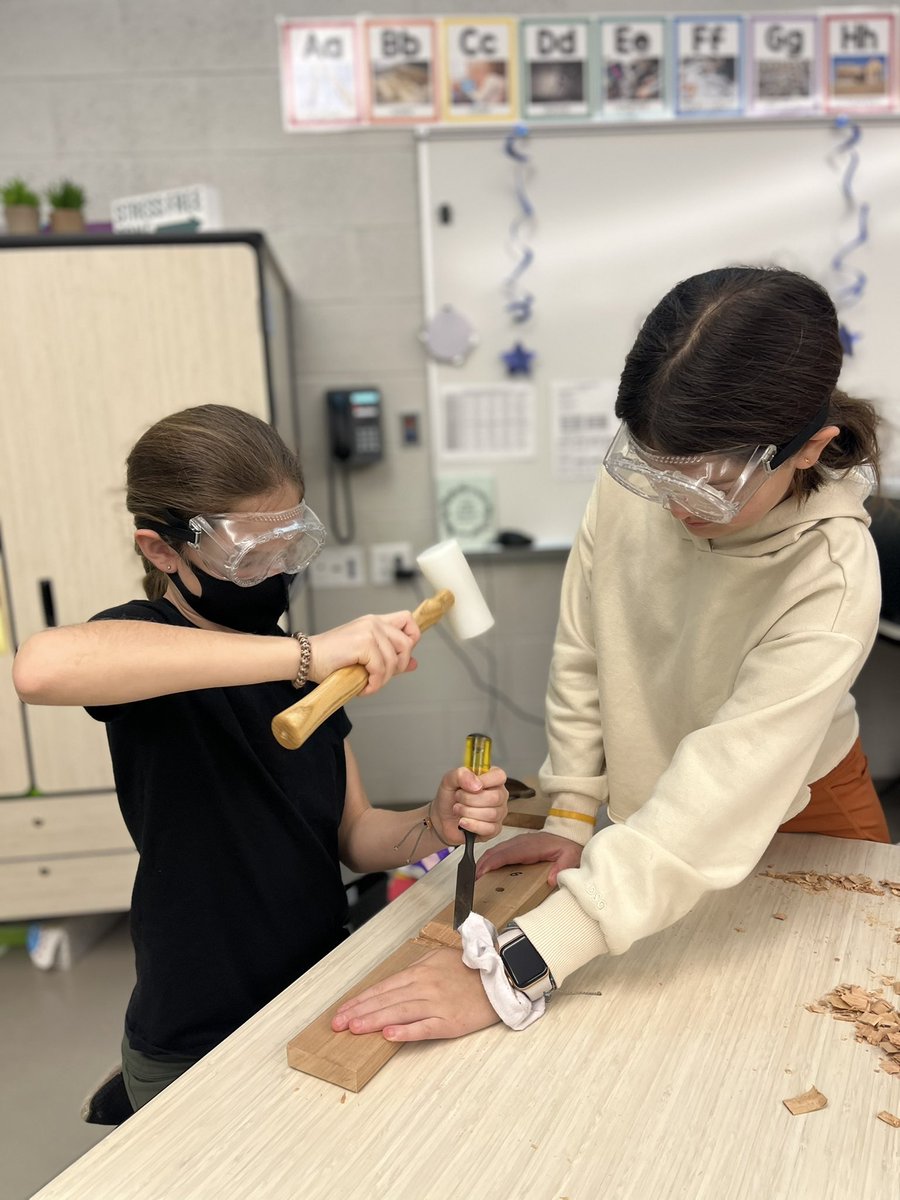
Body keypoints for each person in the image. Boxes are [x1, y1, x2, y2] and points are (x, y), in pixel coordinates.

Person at [331, 264, 888, 1044]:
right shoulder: (656, 473)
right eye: (656, 473)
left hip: (796, 802)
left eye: (711, 488)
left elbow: (716, 799)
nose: (676, 505)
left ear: (810, 449)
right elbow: (587, 650)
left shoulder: (831, 578)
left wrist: (515, 967)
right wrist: (571, 811)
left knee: (809, 1038)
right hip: (652, 808)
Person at [12, 404, 508, 1110]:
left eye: (289, 544)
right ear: (162, 551)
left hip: (312, 994)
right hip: (196, 1033)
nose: (276, 569)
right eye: (250, 553)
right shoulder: (150, 643)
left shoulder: (297, 667)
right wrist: (305, 654)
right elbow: (40, 668)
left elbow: (353, 834)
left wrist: (433, 822)